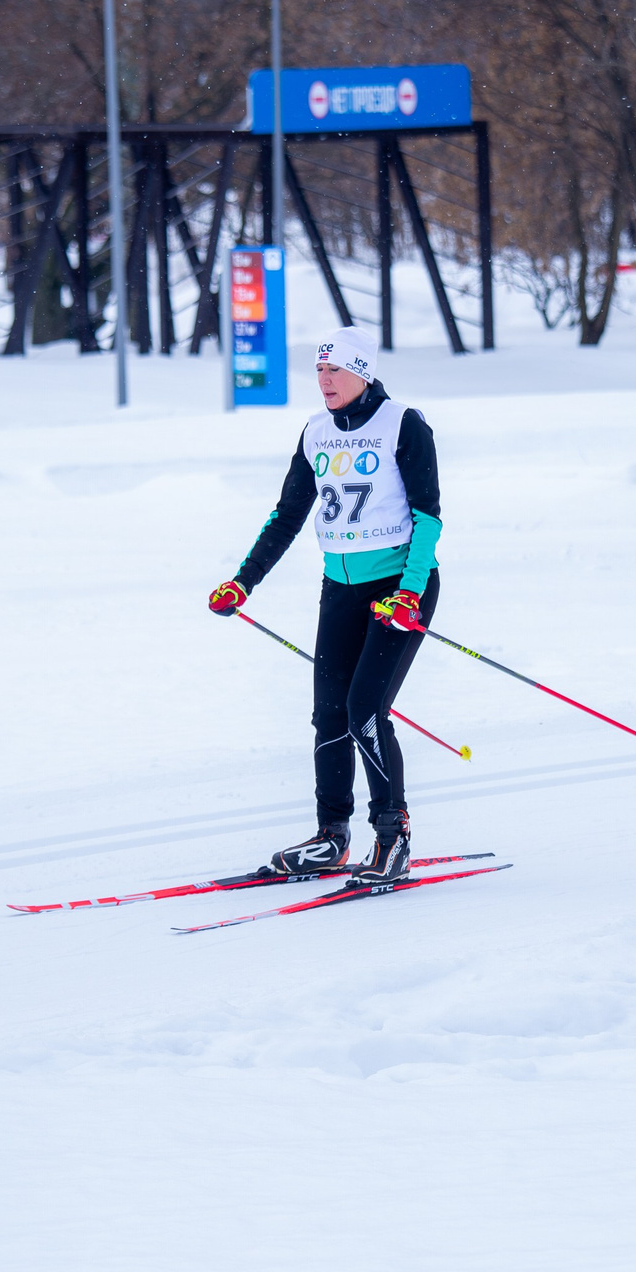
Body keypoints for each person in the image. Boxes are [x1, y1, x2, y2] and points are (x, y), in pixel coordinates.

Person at [207, 327, 442, 885]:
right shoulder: (316, 432)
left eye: (335, 371)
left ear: (362, 371)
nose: (324, 381)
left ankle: (392, 835)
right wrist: (244, 582)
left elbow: (428, 516)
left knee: (365, 711)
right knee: (329, 716)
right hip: (339, 588)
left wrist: (408, 590)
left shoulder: (404, 424)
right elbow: (287, 515)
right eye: (319, 371)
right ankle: (332, 837)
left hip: (399, 588)